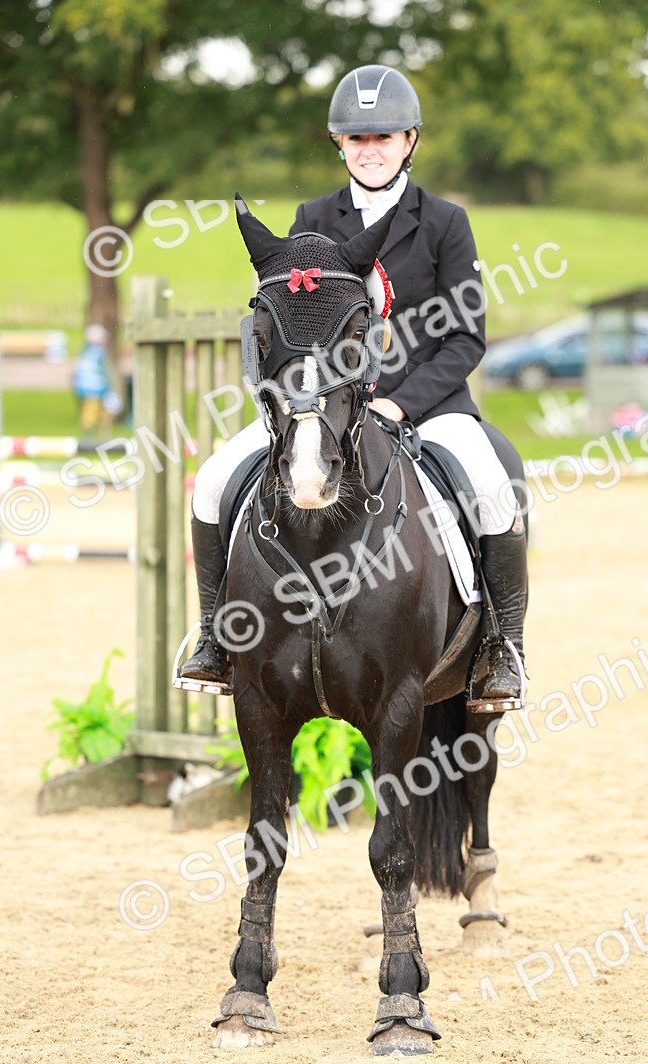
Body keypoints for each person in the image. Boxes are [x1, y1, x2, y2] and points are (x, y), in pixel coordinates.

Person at [179, 64, 527, 708]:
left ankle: (502, 647)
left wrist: (400, 402)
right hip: (319, 408)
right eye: (357, 139)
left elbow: (466, 339)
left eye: (385, 138)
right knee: (210, 481)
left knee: (489, 485)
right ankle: (215, 638)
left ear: (410, 142)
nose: (371, 151)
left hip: (428, 409)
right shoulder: (314, 217)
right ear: (339, 143)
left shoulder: (446, 222)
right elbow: (289, 318)